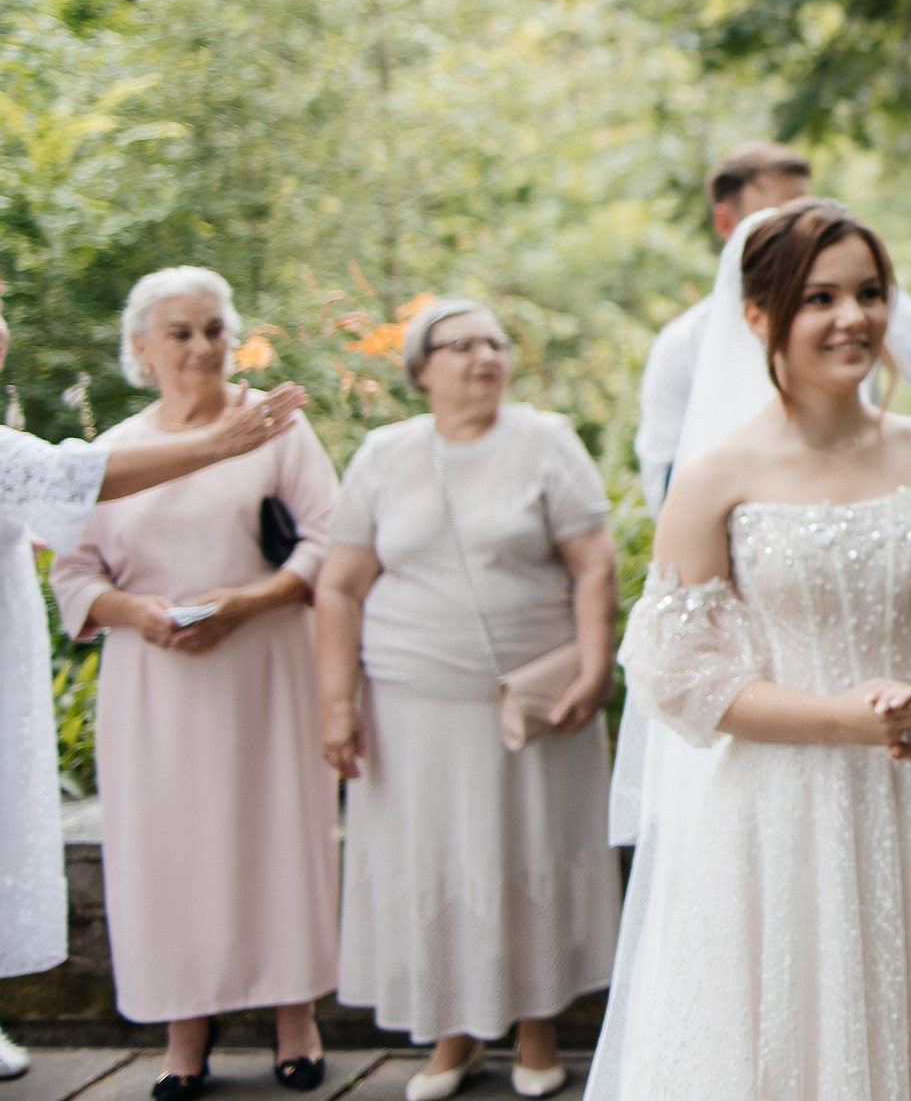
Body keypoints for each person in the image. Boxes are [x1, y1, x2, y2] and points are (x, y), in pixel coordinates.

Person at [593, 199, 911, 1101]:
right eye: (820, 298)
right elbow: (684, 676)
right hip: (784, 803)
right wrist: (845, 718)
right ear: (760, 317)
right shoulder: (714, 478)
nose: (853, 317)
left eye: (870, 293)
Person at [313, 299, 623, 1101]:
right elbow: (340, 586)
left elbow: (594, 563)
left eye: (493, 341)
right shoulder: (383, 454)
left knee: (527, 847)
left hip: (532, 702)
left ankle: (536, 1030)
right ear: (420, 370)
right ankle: (451, 1035)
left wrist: (595, 666)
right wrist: (336, 702)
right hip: (412, 703)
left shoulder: (546, 440)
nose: (483, 355)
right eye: (460, 344)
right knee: (438, 857)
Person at [0, 294, 311, 1084]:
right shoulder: (110, 445)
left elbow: (327, 536)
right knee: (165, 845)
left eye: (215, 330)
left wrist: (246, 601)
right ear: (142, 346)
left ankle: (293, 1015)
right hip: (154, 678)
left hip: (261, 665)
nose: (201, 346)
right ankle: (183, 1029)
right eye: (180, 331)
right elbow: (72, 513)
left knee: (274, 829)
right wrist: (136, 609)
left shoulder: (281, 433)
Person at [632, 141, 911, 515]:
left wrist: (863, 281)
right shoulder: (683, 344)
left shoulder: (859, 319)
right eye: (779, 217)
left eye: (807, 211)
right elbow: (663, 490)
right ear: (725, 223)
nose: (801, 231)